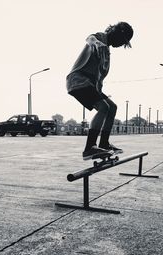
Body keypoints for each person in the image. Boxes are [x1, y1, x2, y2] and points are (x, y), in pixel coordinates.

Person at [66, 22, 134, 160]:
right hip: (78, 81)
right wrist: (96, 43)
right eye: (121, 41)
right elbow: (90, 38)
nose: (121, 45)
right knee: (103, 107)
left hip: (90, 84)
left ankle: (104, 143)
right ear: (115, 33)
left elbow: (99, 77)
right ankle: (89, 148)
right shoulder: (101, 38)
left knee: (112, 107)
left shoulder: (107, 52)